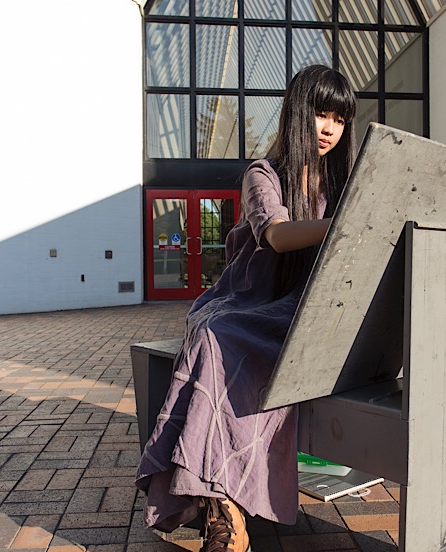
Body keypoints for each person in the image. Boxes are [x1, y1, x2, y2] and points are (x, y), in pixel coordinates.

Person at [135, 64, 357, 552]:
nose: (329, 130)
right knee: (215, 338)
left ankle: (217, 498)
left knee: (223, 350)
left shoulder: (343, 185)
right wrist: (350, 222)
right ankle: (223, 509)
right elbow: (276, 235)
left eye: (339, 120)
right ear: (298, 114)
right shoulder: (265, 174)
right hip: (248, 302)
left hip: (305, 309)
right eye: (320, 115)